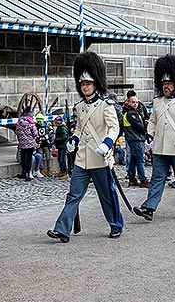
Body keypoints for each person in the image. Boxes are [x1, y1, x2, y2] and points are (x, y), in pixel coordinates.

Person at [47, 52, 123, 242]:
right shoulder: (80, 106)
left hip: (100, 157)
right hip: (82, 158)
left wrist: (107, 144)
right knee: (73, 194)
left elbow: (114, 128)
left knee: (107, 195)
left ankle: (116, 224)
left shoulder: (106, 105)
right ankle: (62, 229)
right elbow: (80, 127)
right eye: (82, 84)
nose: (85, 86)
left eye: (88, 83)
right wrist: (73, 139)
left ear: (95, 84)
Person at [133, 54, 175, 220]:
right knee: (157, 178)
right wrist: (149, 133)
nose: (165, 86)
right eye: (163, 83)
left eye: (168, 83)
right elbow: (153, 120)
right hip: (161, 146)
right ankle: (149, 207)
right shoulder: (157, 101)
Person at [122, 93, 148, 187]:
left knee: (133, 161)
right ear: (128, 102)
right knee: (140, 161)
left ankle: (132, 179)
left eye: (136, 102)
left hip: (132, 139)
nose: (135, 104)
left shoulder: (127, 112)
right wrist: (145, 127)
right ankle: (143, 180)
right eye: (133, 102)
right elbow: (140, 126)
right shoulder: (131, 113)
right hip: (136, 139)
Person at [15, 109, 38, 180]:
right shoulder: (31, 123)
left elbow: (17, 132)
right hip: (30, 143)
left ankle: (23, 172)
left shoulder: (19, 122)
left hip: (22, 144)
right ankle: (28, 174)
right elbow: (35, 133)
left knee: (23, 158)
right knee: (29, 158)